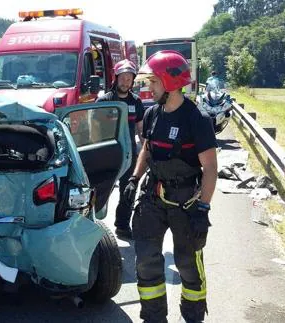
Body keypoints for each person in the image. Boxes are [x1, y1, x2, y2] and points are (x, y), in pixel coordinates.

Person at [123, 50, 218, 323]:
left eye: (153, 82)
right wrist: (134, 178)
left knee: (187, 264)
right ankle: (154, 318)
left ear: (171, 83)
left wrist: (203, 208)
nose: (147, 87)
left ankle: (193, 316)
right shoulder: (153, 114)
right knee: (145, 261)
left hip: (186, 202)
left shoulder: (196, 119)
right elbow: (148, 149)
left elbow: (210, 168)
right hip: (153, 198)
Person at [96, 58, 144, 240]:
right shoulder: (104, 100)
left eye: (129, 78)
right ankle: (92, 224)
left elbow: (140, 130)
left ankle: (122, 226)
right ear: (116, 78)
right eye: (122, 77)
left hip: (129, 153)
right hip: (107, 154)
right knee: (101, 189)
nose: (125, 81)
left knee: (128, 190)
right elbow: (94, 128)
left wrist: (146, 149)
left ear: (133, 80)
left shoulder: (136, 102)